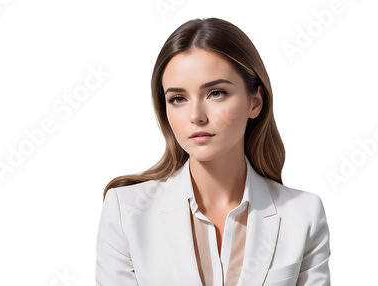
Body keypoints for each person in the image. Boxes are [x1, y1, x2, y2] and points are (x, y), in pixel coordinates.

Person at [96, 17, 331, 286]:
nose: (196, 115)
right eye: (178, 98)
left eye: (216, 93)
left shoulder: (303, 214)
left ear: (255, 101)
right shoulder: (126, 212)